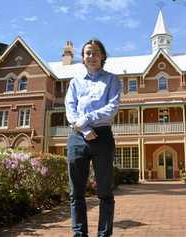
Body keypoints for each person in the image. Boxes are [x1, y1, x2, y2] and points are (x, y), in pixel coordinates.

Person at [65, 38, 121, 237]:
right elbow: (70, 109)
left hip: (102, 136)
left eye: (95, 52)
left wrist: (87, 120)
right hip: (77, 138)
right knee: (76, 193)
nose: (92, 56)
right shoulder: (74, 82)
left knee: (105, 192)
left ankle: (104, 234)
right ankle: (79, 234)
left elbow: (112, 108)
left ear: (102, 56)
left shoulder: (112, 80)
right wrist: (82, 129)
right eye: (88, 52)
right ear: (82, 57)